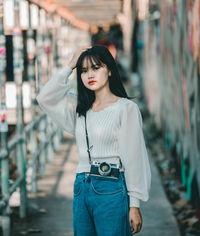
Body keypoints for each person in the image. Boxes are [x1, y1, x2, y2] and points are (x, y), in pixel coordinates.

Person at [36, 45, 151, 236]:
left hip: (112, 188)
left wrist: (135, 204)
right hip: (81, 188)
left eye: (96, 68)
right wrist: (70, 65)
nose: (90, 75)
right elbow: (44, 98)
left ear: (110, 70)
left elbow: (134, 158)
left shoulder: (125, 108)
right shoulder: (79, 108)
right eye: (84, 71)